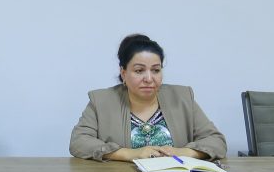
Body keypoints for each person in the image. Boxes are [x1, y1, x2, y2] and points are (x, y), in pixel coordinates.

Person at [69, 34, 227, 161]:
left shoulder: (182, 97)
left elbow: (216, 141)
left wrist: (183, 152)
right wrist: (128, 154)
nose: (149, 78)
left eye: (156, 70)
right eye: (139, 71)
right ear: (123, 73)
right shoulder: (101, 100)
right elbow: (79, 142)